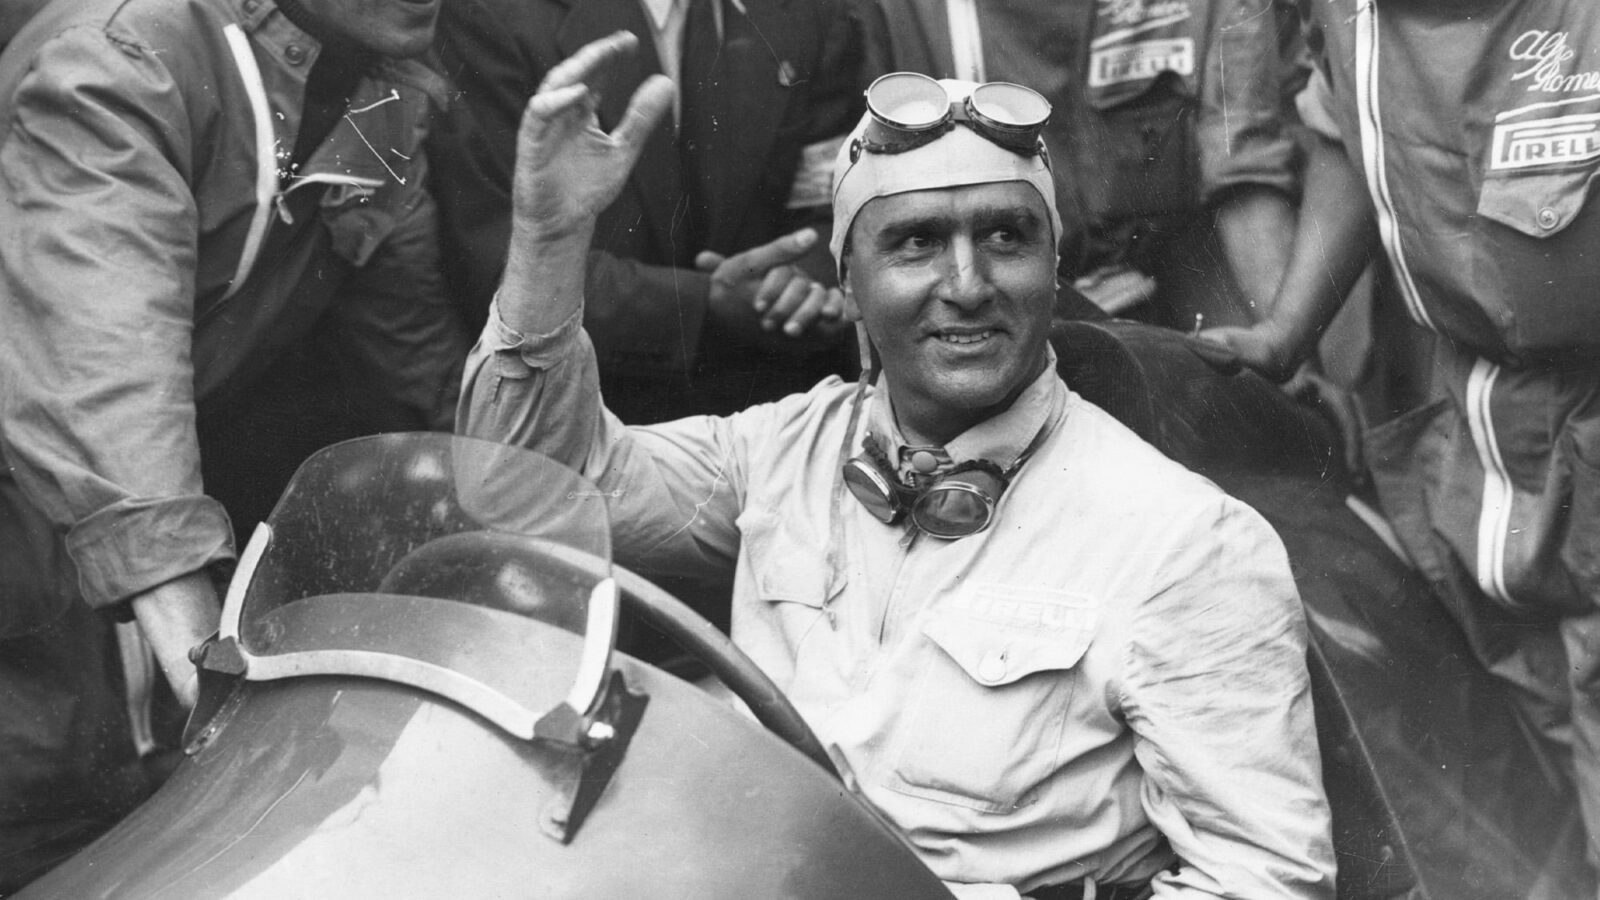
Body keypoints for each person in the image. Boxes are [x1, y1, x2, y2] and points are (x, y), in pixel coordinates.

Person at [460, 32, 1336, 899]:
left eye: (1005, 236)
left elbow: (1268, 883)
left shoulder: (1187, 545)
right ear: (849, 284)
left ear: (1053, 263)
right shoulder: (778, 453)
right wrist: (548, 239)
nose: (966, 282)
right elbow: (525, 493)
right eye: (916, 243)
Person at [0, 0, 466, 887]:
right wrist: (203, 667)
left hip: (103, 545)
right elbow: (104, 360)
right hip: (62, 526)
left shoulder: (380, 93)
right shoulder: (122, 55)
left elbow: (412, 352)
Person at [1199, 0, 1600, 869]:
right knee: (1526, 751)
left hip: (1587, 404)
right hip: (1477, 426)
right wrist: (1290, 326)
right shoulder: (1358, 15)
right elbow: (1351, 130)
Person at [426, 0, 862, 425]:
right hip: (594, 424)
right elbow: (500, 263)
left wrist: (803, 282)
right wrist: (702, 305)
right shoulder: (490, 15)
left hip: (785, 415)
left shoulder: (814, 11)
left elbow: (836, 203)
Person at [855, 0, 1301, 327]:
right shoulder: (894, 14)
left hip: (1155, 300)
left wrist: (1288, 348)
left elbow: (1245, 166)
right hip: (983, 312)